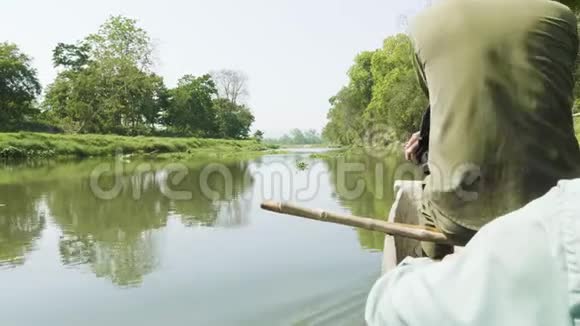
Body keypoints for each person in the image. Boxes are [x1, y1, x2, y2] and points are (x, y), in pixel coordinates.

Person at [404, 0, 580, 259]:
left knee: (423, 194)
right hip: (561, 208)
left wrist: (425, 148)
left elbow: (439, 101)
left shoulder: (421, 25)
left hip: (461, 221)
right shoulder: (561, 15)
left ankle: (438, 263)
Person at [365, 178, 580, 325]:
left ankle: (440, 265)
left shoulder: (564, 225)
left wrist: (445, 266)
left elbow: (382, 308)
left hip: (460, 217)